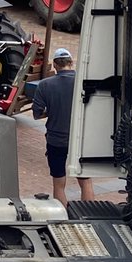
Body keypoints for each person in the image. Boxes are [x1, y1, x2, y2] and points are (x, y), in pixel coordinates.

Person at [31, 48, 95, 208]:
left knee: (59, 183)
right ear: (71, 63)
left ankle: (63, 217)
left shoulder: (45, 85)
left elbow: (37, 114)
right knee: (85, 181)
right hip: (80, 140)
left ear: (54, 65)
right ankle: (89, 216)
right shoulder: (83, 82)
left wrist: (51, 111)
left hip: (56, 140)